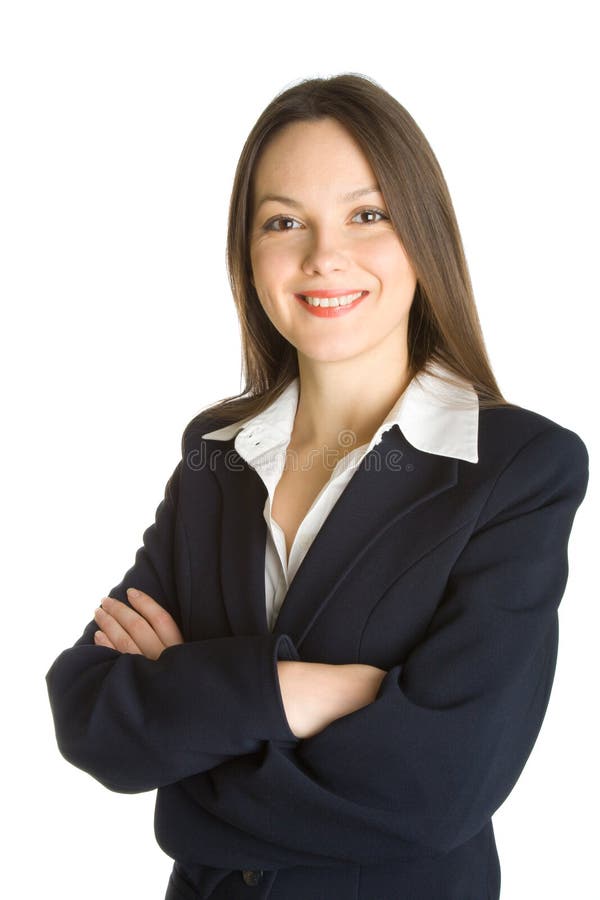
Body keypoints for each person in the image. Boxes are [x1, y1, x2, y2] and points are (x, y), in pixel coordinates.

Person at [46, 73, 589, 900]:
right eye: (284, 221)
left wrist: (191, 746)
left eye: (366, 214)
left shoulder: (518, 468)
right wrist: (301, 689)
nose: (322, 255)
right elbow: (90, 713)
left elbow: (434, 789)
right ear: (250, 254)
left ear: (423, 235)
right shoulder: (216, 458)